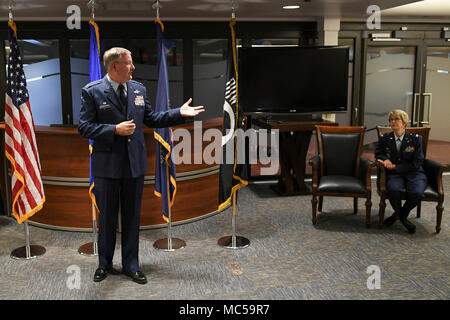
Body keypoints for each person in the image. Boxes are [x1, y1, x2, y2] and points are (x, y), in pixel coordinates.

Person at [78, 47, 204, 284]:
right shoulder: (92, 92)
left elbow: (152, 118)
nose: (133, 67)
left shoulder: (138, 89)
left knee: (132, 218)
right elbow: (84, 127)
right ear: (114, 66)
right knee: (106, 219)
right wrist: (113, 129)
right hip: (107, 168)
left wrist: (179, 113)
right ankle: (104, 264)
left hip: (134, 166)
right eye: (129, 63)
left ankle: (131, 264)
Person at [374, 109, 427, 234]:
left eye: (396, 119)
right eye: (391, 120)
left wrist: (396, 167)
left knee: (417, 193)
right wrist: (385, 159)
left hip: (414, 173)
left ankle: (400, 216)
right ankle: (402, 217)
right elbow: (378, 153)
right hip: (394, 175)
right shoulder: (386, 138)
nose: (393, 122)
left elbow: (417, 162)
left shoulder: (415, 139)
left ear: (404, 122)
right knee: (393, 190)